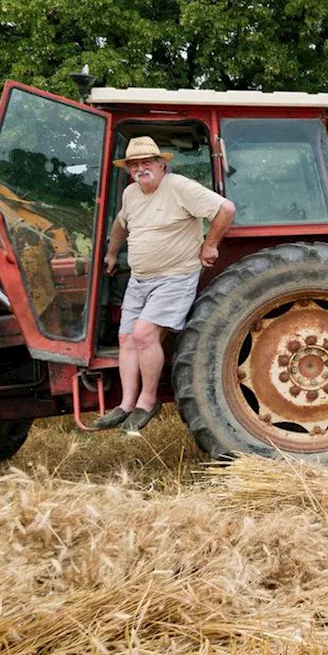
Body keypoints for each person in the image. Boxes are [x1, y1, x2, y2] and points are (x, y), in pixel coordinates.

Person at [94, 136, 236, 433]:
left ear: (162, 165)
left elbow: (225, 209)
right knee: (126, 338)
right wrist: (110, 252)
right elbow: (121, 224)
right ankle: (126, 404)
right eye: (134, 164)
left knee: (145, 334)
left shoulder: (179, 187)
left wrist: (210, 245)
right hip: (140, 278)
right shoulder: (131, 193)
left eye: (146, 162)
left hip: (175, 276)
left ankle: (148, 401)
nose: (140, 168)